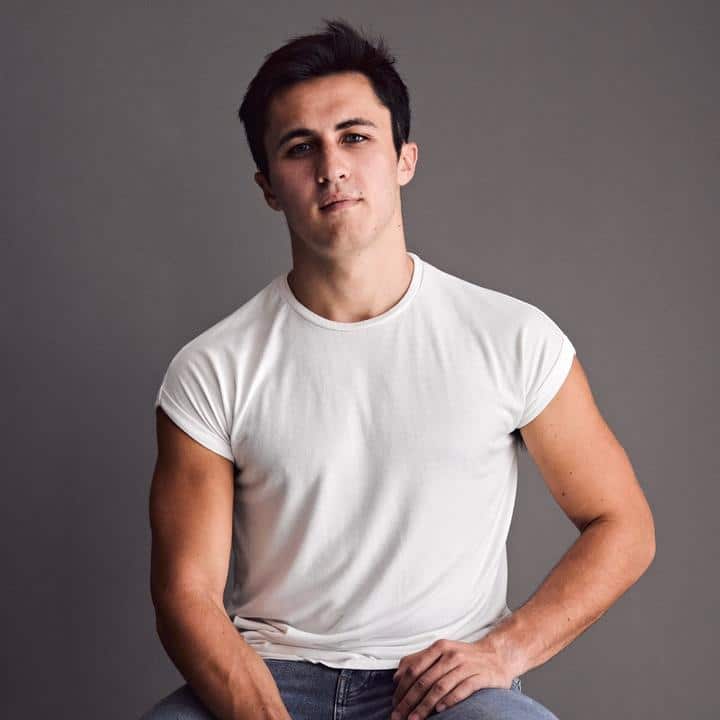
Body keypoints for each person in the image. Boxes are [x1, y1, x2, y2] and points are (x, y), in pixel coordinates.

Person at [140, 18, 656, 720]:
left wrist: (505, 653)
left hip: (443, 686)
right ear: (267, 185)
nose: (332, 167)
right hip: (267, 680)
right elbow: (186, 593)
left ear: (404, 158)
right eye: (300, 148)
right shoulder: (211, 369)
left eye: (355, 137)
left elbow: (622, 523)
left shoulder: (511, 338)